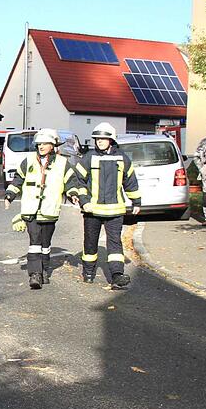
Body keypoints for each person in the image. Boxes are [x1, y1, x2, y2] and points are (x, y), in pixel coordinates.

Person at [66, 122, 141, 290]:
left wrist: (136, 201)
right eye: (97, 138)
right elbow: (78, 180)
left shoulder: (122, 158)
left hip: (115, 211)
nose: (99, 141)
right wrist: (84, 201)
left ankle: (117, 275)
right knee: (90, 243)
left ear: (111, 140)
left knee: (114, 244)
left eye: (103, 138)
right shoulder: (89, 157)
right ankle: (88, 272)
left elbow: (130, 180)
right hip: (92, 210)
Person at [4, 128, 71, 289]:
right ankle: (35, 274)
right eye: (39, 143)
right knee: (34, 242)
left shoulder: (62, 163)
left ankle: (44, 270)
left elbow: (71, 182)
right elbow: (18, 180)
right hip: (31, 210)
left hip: (49, 211)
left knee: (45, 244)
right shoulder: (28, 161)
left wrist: (74, 195)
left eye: (45, 143)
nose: (41, 146)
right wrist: (9, 196)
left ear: (53, 145)